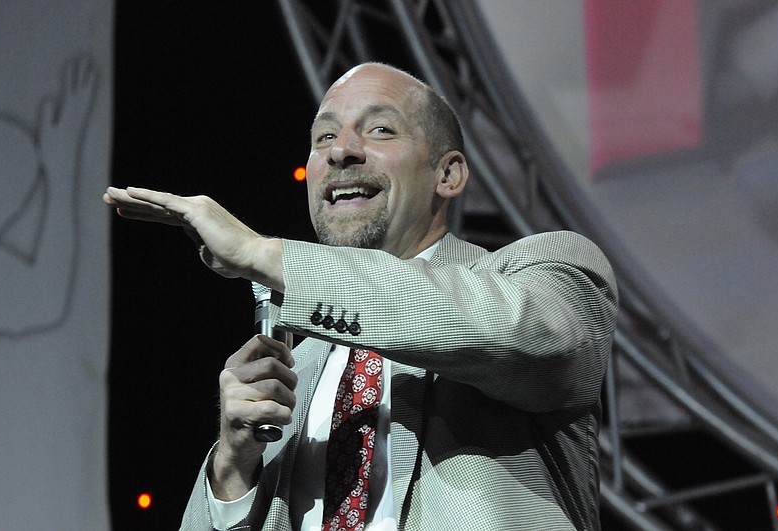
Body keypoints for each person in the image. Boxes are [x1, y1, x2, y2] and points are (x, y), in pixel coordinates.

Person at [104, 62, 618, 531]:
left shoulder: (549, 275)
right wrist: (233, 466)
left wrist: (264, 253)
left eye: (379, 130)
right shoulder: (293, 369)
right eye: (324, 135)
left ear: (448, 173)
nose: (340, 151)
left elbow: (503, 330)